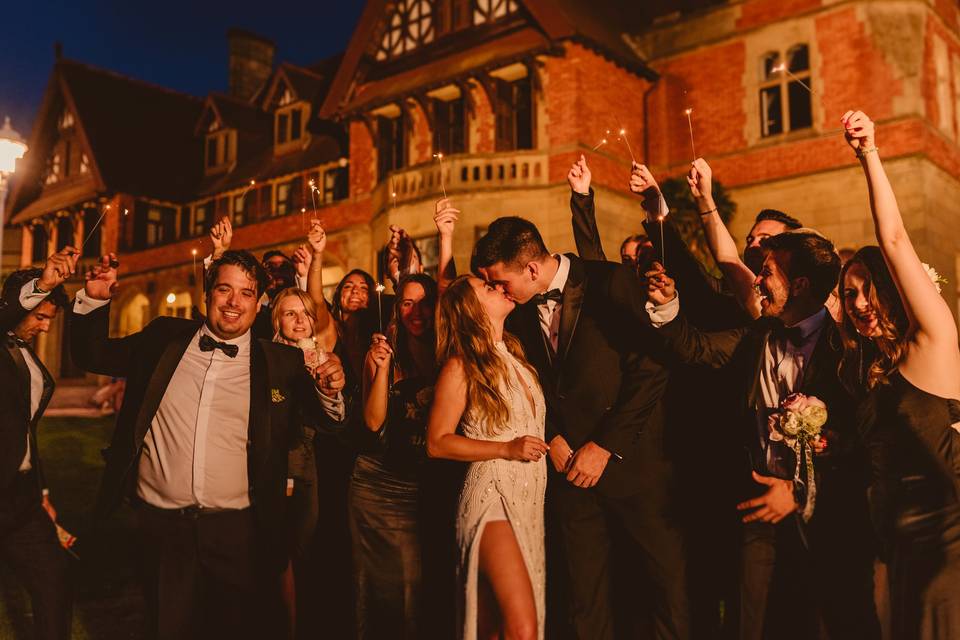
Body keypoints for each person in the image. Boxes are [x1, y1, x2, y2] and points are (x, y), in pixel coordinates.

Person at [69, 250, 349, 640]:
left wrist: (330, 389)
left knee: (236, 629)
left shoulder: (281, 362)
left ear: (258, 303)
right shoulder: (162, 338)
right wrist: (96, 297)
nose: (234, 302)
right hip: (163, 526)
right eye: (224, 289)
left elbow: (329, 421)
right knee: (168, 626)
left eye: (246, 293)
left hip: (238, 529)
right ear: (207, 294)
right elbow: (91, 354)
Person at [646, 230, 879, 639]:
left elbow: (867, 442)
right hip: (757, 513)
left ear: (800, 284)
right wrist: (666, 308)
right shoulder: (758, 335)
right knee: (750, 624)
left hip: (829, 520)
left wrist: (801, 488)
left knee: (837, 622)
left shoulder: (853, 349)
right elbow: (696, 347)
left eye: (767, 272)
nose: (756, 280)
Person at [472, 217, 688, 639]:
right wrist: (552, 435)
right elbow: (530, 380)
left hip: (636, 469)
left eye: (501, 281)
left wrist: (605, 446)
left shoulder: (614, 282)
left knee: (665, 592)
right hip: (568, 473)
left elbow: (652, 369)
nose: (499, 291)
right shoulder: (515, 312)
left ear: (531, 270)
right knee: (584, 600)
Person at [838, 110, 960, 638]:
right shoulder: (864, 372)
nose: (860, 302)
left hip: (947, 552)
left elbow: (893, 239)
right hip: (894, 550)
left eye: (869, 288)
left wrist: (869, 153)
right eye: (849, 294)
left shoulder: (932, 343)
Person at [427, 274, 548, 640]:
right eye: (488, 288)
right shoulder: (461, 365)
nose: (499, 288)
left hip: (529, 499)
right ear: (471, 308)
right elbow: (437, 442)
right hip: (492, 497)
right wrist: (505, 448)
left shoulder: (517, 358)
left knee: (493, 628)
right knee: (522, 628)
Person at [348, 273, 440, 639]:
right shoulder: (384, 352)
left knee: (423, 587)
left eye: (424, 302)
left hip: (429, 484)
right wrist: (382, 370)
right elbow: (372, 423)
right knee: (387, 590)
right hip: (379, 485)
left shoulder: (448, 351)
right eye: (406, 303)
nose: (416, 311)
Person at [0, 247, 77, 640]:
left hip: (22, 497)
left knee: (54, 578)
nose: (46, 327)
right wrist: (43, 284)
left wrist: (42, 490)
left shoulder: (27, 356)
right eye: (40, 317)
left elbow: (26, 430)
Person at [270, 286, 325, 639]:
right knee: (282, 553)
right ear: (278, 320)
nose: (299, 320)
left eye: (305, 312)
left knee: (307, 549)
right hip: (283, 461)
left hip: (317, 464)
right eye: (291, 313)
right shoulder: (268, 358)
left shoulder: (325, 358)